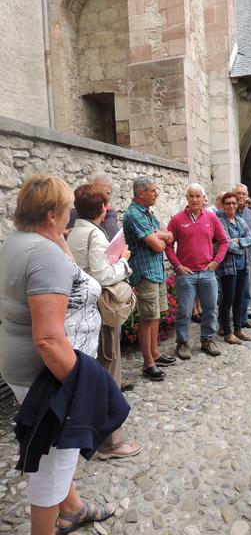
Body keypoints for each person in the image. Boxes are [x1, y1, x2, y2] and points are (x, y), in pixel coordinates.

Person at [0, 175, 117, 535]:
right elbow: (49, 339)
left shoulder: (20, 242)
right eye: (67, 210)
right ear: (52, 215)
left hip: (24, 369)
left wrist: (61, 244)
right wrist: (83, 388)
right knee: (53, 462)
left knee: (54, 451)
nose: (71, 216)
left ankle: (74, 508)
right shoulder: (44, 256)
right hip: (51, 374)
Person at [67, 184, 141, 460]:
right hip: (100, 310)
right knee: (110, 372)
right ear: (102, 209)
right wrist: (123, 261)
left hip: (83, 313)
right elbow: (102, 275)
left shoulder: (74, 233)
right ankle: (111, 443)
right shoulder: (94, 236)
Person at [166, 183, 228, 359]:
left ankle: (207, 339)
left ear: (203, 198)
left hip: (208, 272)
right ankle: (182, 343)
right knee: (184, 311)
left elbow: (224, 242)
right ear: (187, 198)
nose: (194, 199)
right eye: (191, 196)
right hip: (186, 274)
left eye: (197, 196)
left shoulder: (211, 218)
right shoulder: (177, 220)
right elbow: (168, 246)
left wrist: (216, 262)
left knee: (210, 308)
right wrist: (178, 266)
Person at [123, 177, 176, 380]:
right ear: (141, 193)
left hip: (156, 271)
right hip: (145, 273)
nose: (156, 194)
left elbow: (167, 235)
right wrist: (160, 236)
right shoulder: (134, 214)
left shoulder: (147, 213)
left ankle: (155, 354)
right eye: (153, 191)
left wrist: (159, 235)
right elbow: (159, 245)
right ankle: (148, 364)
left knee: (155, 316)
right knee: (147, 318)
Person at [217, 192, 251, 344]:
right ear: (223, 206)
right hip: (228, 267)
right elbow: (227, 245)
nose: (231, 206)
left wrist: (239, 241)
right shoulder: (220, 222)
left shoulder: (240, 221)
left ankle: (238, 329)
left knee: (239, 299)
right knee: (228, 300)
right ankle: (227, 332)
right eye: (228, 203)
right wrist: (241, 243)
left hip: (243, 266)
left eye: (234, 203)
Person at [234, 183, 251, 327]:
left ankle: (245, 316)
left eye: (243, 194)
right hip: (233, 259)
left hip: (250, 256)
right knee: (234, 290)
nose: (240, 196)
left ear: (247, 196)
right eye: (238, 193)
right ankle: (235, 318)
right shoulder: (228, 212)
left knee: (249, 288)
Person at [66, 173, 119, 241]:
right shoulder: (73, 215)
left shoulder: (111, 214)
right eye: (100, 193)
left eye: (108, 193)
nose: (105, 197)